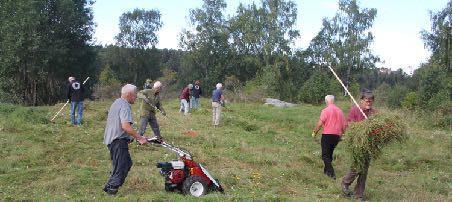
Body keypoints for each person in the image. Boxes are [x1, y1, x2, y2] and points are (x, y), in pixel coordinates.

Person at [103, 84, 148, 195]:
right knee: (122, 165)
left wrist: (133, 138)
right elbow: (125, 126)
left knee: (125, 163)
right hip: (117, 141)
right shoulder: (124, 105)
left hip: (113, 139)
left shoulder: (116, 102)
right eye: (134, 95)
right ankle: (112, 189)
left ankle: (109, 185)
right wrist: (140, 138)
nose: (136, 98)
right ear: (129, 94)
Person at [341, 91, 376, 201]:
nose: (369, 103)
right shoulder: (355, 110)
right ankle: (345, 183)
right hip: (357, 143)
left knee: (364, 170)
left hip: (369, 144)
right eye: (367, 101)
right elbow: (349, 125)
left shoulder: (374, 113)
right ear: (362, 101)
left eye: (371, 101)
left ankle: (359, 194)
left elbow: (377, 128)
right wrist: (361, 127)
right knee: (357, 167)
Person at [312, 95, 346, 180]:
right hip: (336, 136)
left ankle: (331, 174)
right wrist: (342, 135)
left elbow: (320, 124)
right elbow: (344, 125)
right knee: (329, 154)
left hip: (327, 135)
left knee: (325, 155)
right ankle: (326, 172)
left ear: (326, 101)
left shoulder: (325, 110)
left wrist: (314, 133)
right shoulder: (340, 111)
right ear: (333, 101)